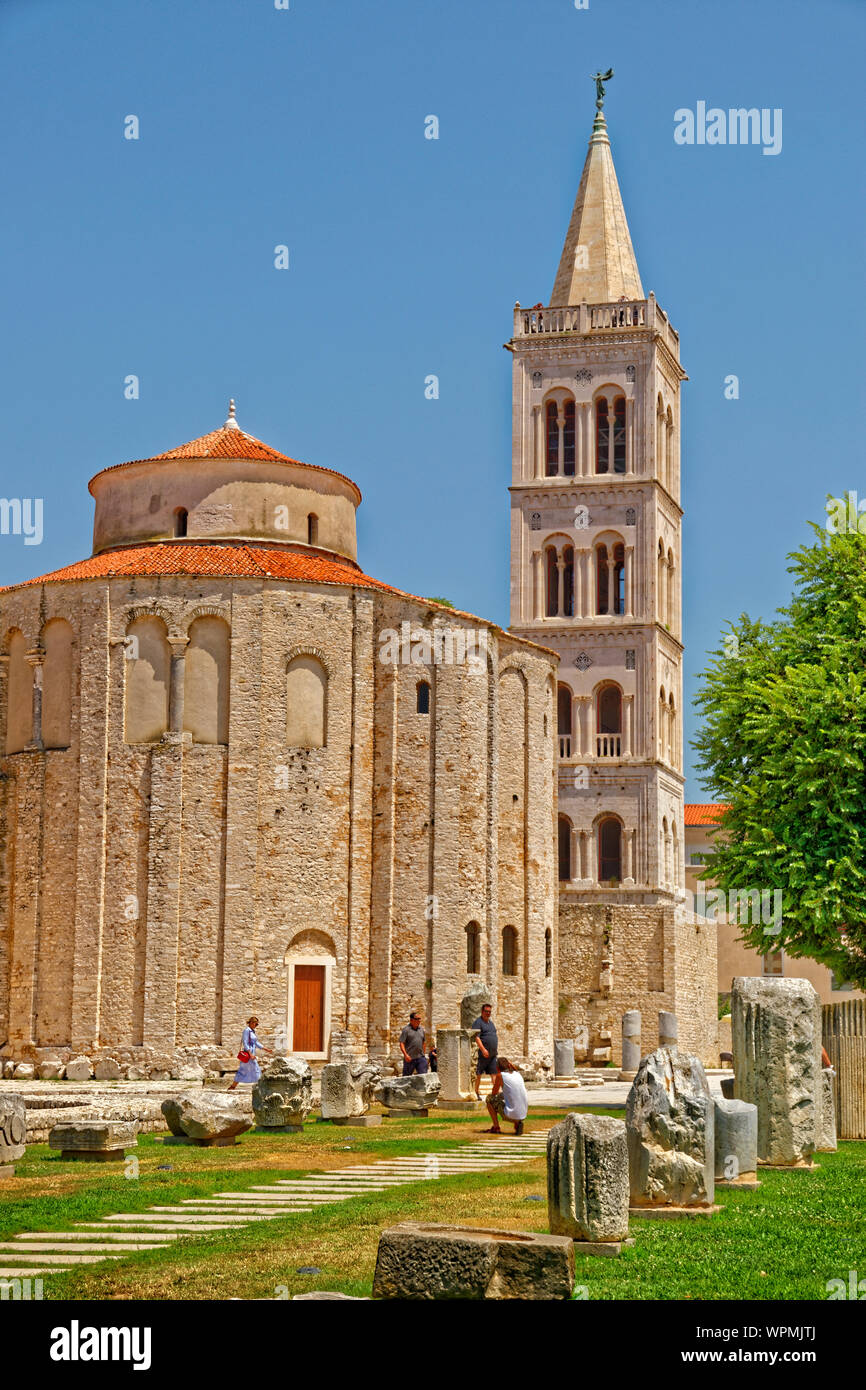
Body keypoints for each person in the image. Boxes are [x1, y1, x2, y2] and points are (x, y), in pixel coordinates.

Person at [227, 1015, 272, 1090]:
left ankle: (233, 1086)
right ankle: (261, 1087)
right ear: (251, 1022)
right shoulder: (247, 1030)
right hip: (248, 1054)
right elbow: (245, 1043)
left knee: (244, 1070)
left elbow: (256, 1042)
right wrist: (250, 1054)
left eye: (257, 1024)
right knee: (255, 1069)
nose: (256, 1025)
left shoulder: (252, 1031)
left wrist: (266, 1049)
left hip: (251, 1054)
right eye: (255, 1023)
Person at [485, 1057, 528, 1136]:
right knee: (508, 1094)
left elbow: (494, 1093)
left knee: (489, 1099)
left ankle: (496, 1127)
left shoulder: (500, 1076)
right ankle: (518, 1122)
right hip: (523, 1114)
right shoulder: (518, 1074)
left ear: (497, 1067)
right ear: (509, 1065)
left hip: (510, 1115)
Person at [472, 1002, 498, 1100]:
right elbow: (476, 1037)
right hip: (482, 1054)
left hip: (492, 1054)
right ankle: (476, 1093)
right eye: (486, 1011)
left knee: (494, 1073)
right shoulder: (478, 1022)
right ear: (482, 1012)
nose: (488, 1013)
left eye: (489, 1012)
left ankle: (495, 1094)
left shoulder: (491, 1023)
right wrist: (483, 1049)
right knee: (478, 1074)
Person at [399, 1011, 428, 1075]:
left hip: (421, 1058)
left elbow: (424, 1042)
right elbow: (402, 1043)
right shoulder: (406, 1030)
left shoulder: (421, 1030)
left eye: (419, 1019)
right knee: (406, 1079)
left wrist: (423, 1053)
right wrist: (405, 1055)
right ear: (411, 1020)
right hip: (409, 1058)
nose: (419, 1020)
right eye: (417, 1019)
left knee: (424, 1076)